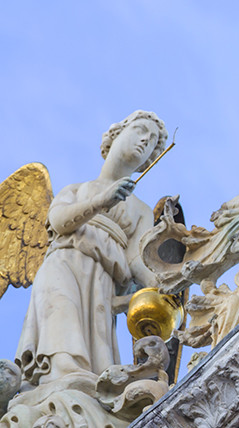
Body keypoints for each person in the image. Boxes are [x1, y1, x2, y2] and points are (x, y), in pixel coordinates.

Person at [14, 110, 172, 391]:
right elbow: (58, 221)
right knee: (61, 320)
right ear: (115, 135)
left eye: (151, 142)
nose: (144, 141)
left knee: (95, 348)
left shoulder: (141, 211)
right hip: (63, 263)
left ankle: (88, 391)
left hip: (103, 280)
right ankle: (58, 385)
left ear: (149, 160)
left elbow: (136, 259)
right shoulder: (77, 189)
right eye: (139, 131)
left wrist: (160, 286)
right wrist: (101, 201)